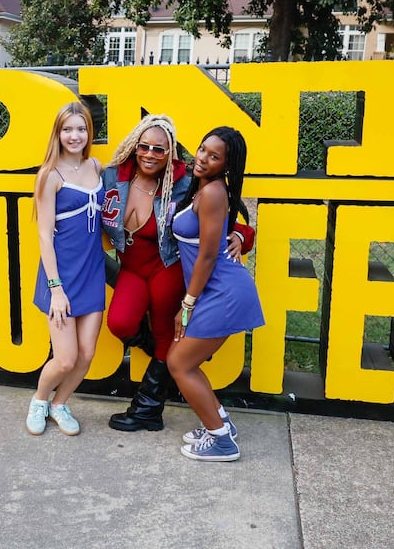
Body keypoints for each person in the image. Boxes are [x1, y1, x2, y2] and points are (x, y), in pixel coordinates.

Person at [99, 115, 251, 432]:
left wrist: (241, 236)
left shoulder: (182, 181)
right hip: (132, 267)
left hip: (166, 266)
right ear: (134, 146)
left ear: (170, 154)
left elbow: (225, 217)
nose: (151, 154)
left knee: (171, 337)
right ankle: (163, 351)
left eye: (160, 149)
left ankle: (147, 410)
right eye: (144, 146)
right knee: (121, 322)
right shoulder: (114, 177)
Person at [168, 126, 265, 462]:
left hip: (222, 291)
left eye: (214, 155)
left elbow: (208, 254)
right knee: (184, 361)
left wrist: (187, 304)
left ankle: (222, 441)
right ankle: (220, 422)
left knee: (179, 363)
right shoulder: (205, 189)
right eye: (202, 149)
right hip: (217, 289)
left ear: (226, 164)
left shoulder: (212, 192)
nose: (203, 158)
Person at [26, 101, 104, 437]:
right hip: (61, 278)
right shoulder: (50, 175)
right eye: (67, 129)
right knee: (66, 359)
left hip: (92, 274)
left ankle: (60, 404)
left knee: (86, 355)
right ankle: (40, 401)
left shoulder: (96, 167)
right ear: (58, 133)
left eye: (81, 128)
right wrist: (56, 289)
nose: (75, 135)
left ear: (89, 132)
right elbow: (44, 236)